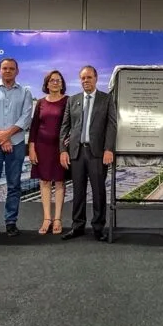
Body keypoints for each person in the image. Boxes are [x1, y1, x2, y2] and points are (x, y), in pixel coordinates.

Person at [60, 65, 116, 242]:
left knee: (99, 192)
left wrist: (109, 149)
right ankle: (77, 226)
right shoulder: (73, 100)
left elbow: (112, 126)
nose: (86, 81)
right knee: (78, 192)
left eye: (89, 77)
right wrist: (63, 150)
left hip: (97, 153)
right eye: (83, 78)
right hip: (76, 153)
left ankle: (98, 228)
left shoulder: (106, 99)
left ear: (96, 78)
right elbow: (65, 127)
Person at [0, 58, 33, 238]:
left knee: (14, 185)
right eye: (4, 68)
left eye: (11, 68)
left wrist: (7, 135)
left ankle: (11, 222)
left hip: (16, 144)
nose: (8, 71)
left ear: (17, 71)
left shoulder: (25, 92)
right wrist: (2, 139)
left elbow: (26, 117)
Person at [29, 70, 69, 235]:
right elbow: (34, 127)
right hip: (42, 147)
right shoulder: (40, 103)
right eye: (52, 80)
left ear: (62, 83)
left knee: (59, 182)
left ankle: (57, 219)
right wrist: (31, 148)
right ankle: (47, 218)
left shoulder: (68, 101)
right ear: (46, 84)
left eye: (58, 80)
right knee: (44, 181)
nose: (55, 83)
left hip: (60, 148)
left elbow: (72, 124)